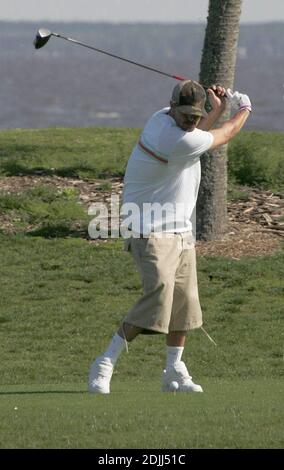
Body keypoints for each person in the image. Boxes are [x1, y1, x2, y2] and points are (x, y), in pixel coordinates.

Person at [88, 80, 252, 394]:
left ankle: (173, 370)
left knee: (185, 304)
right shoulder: (172, 138)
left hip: (180, 230)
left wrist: (215, 107)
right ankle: (105, 361)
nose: (191, 121)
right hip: (149, 229)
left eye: (196, 115)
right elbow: (225, 134)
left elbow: (200, 129)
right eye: (187, 115)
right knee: (159, 294)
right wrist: (244, 108)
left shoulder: (164, 119)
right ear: (173, 107)